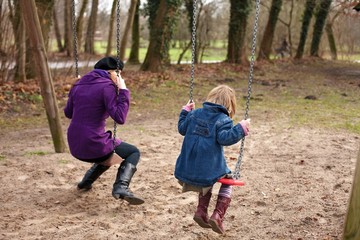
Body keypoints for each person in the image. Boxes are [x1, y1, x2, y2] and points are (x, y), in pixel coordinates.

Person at [64, 56, 144, 205]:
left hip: (74, 144)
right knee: (133, 152)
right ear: (115, 72)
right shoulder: (107, 86)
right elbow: (120, 117)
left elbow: (68, 113)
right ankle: (121, 187)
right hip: (92, 143)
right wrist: (123, 90)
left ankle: (85, 183)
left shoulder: (78, 84)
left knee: (108, 150)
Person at [174, 85, 250, 234]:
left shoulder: (194, 114)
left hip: (186, 167)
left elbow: (181, 128)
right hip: (207, 171)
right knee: (228, 180)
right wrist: (241, 128)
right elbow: (225, 138)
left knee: (207, 181)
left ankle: (201, 211)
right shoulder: (223, 119)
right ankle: (217, 215)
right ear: (230, 104)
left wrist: (185, 111)